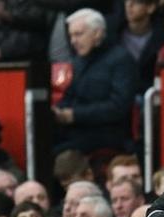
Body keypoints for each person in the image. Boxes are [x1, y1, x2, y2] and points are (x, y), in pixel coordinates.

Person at [53, 8, 136, 154]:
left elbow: (118, 107)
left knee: (56, 153)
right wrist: (58, 111)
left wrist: (74, 115)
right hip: (77, 130)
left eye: (78, 34)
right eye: (71, 36)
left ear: (97, 33)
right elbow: (70, 96)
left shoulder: (121, 59)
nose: (73, 41)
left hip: (107, 133)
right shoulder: (79, 61)